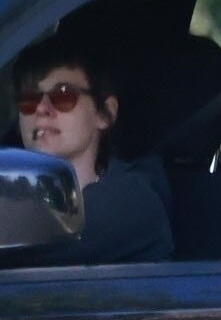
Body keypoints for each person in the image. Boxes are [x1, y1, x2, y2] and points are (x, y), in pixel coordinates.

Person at [13, 36, 173, 262]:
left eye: (63, 95)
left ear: (105, 114)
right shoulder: (11, 192)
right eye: (29, 99)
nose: (41, 108)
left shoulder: (132, 203)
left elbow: (35, 249)